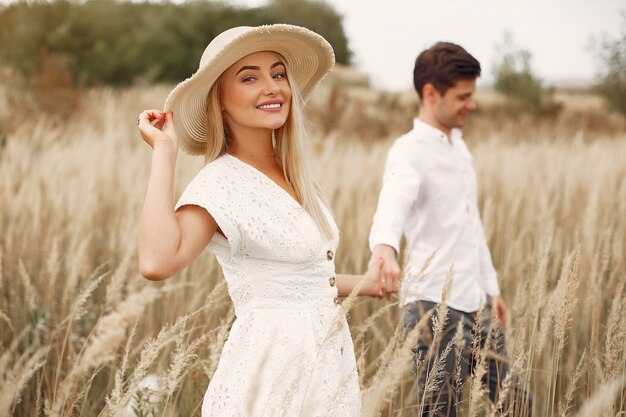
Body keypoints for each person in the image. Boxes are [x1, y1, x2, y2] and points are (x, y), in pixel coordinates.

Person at [136, 24, 386, 417]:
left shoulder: (296, 176)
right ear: (219, 99)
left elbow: (296, 282)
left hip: (325, 366)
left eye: (278, 73)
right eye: (249, 77)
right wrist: (165, 152)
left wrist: (365, 284)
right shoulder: (222, 183)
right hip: (270, 377)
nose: (272, 87)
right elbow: (155, 262)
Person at [367, 42, 532, 416]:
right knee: (442, 412)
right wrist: (384, 250)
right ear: (430, 93)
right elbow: (393, 204)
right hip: (433, 306)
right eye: (463, 96)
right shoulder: (409, 151)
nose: (470, 105)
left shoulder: (459, 147)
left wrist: (491, 289)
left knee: (518, 405)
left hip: (475, 302)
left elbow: (470, 225)